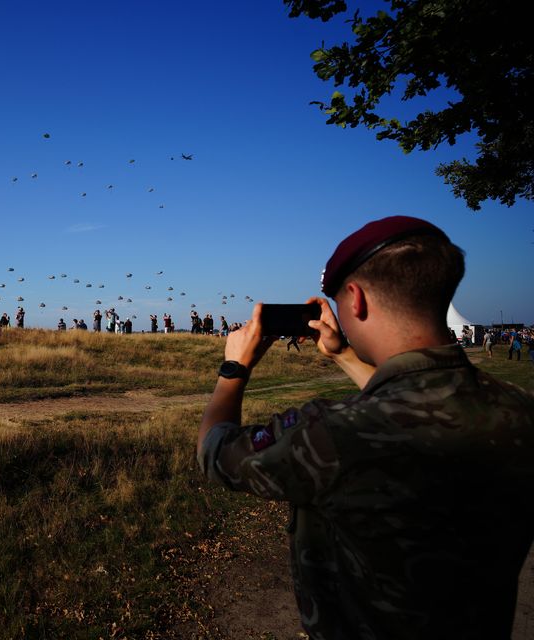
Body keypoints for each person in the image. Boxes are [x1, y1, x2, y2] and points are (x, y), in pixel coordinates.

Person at [196, 216, 534, 639]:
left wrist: (234, 368)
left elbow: (216, 450)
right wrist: (343, 355)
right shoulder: (517, 410)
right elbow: (409, 392)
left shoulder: (334, 432)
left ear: (354, 299)